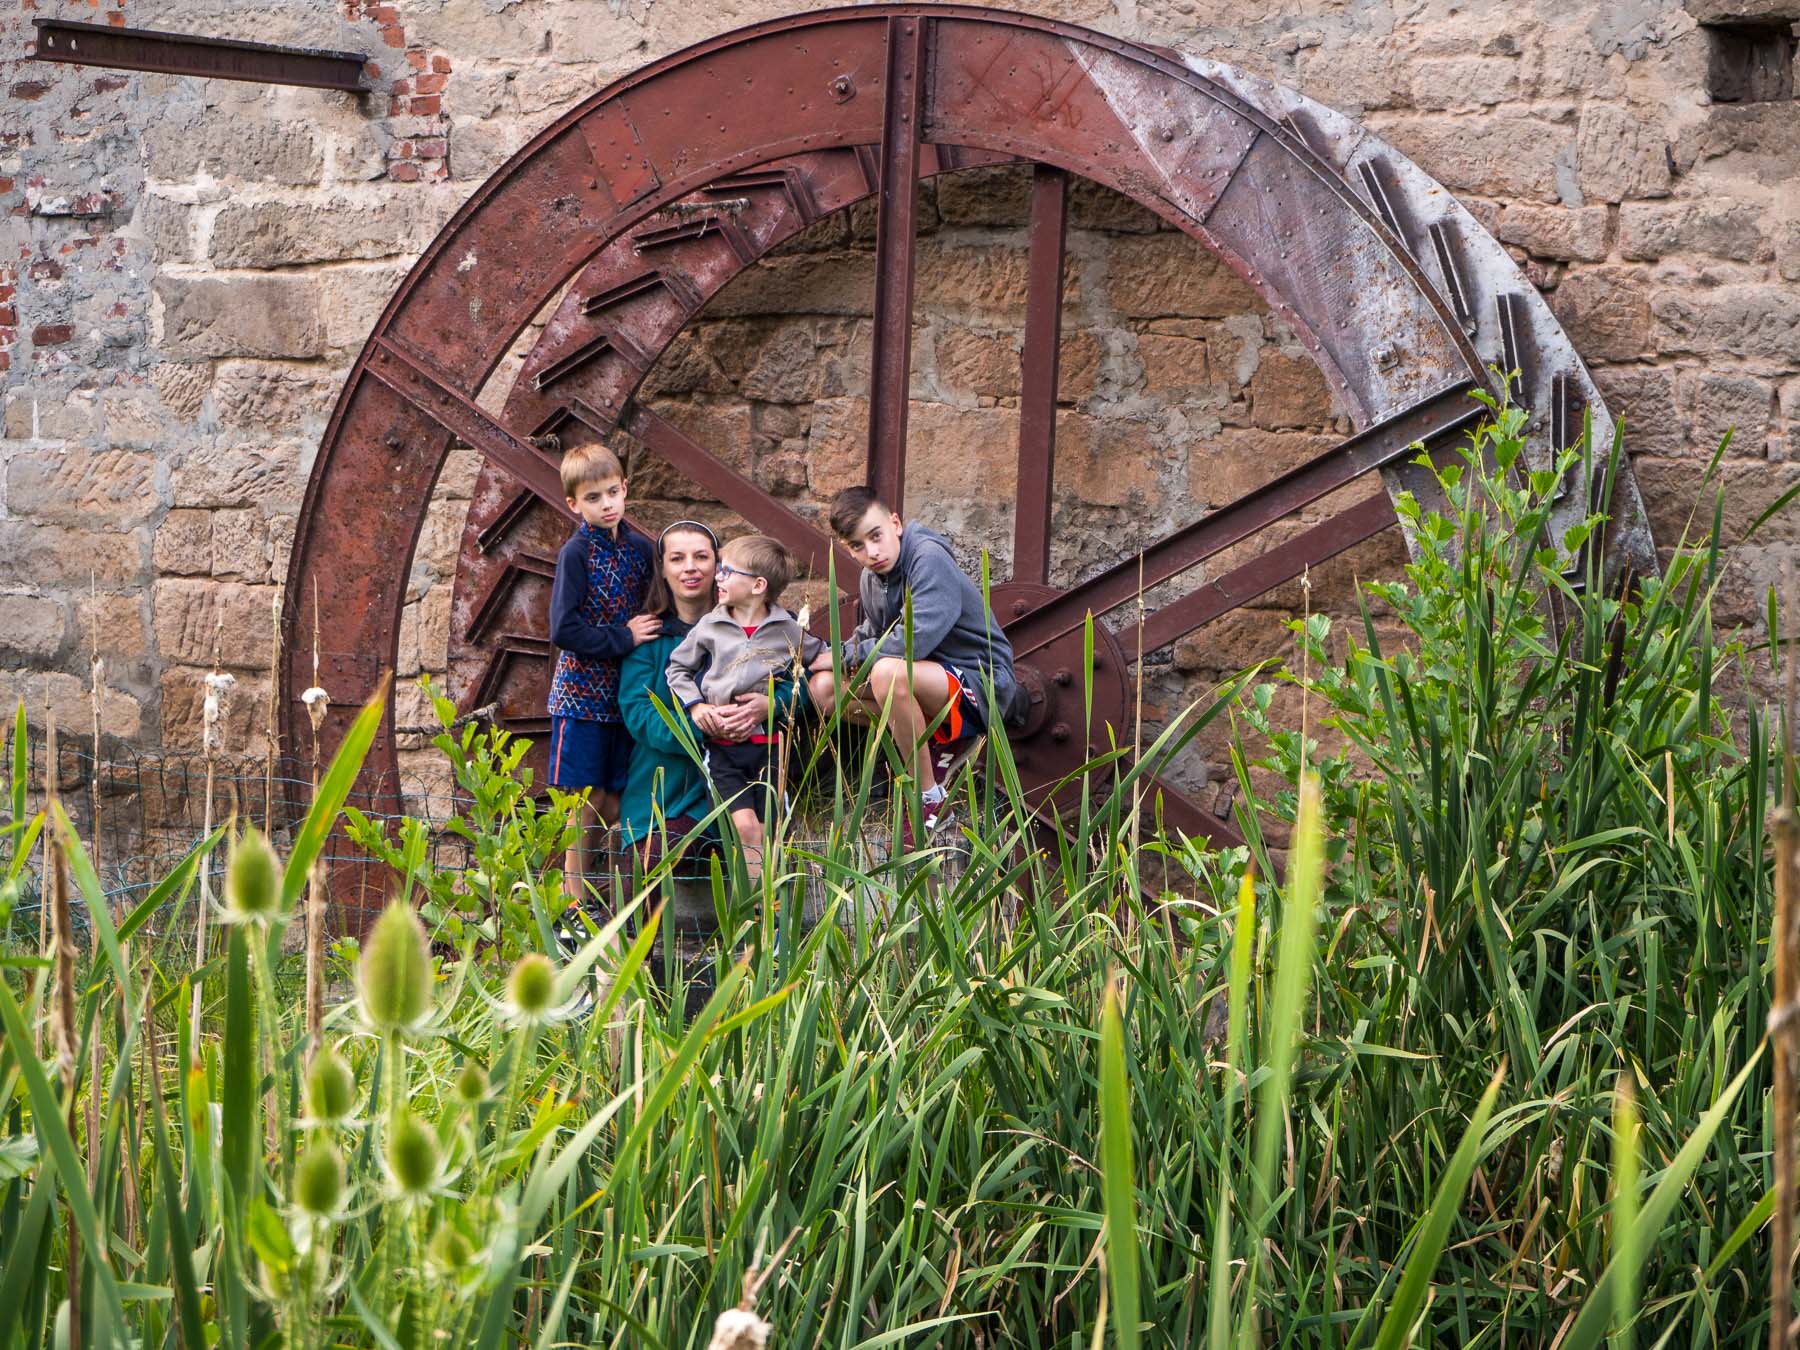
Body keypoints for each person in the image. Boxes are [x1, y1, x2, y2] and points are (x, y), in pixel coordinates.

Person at [809, 484, 1025, 839]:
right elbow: (874, 632)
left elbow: (914, 642)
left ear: (895, 523)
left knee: (888, 673)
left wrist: (844, 657)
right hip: (928, 682)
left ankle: (928, 796)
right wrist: (820, 657)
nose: (872, 552)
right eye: (858, 546)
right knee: (824, 688)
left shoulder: (928, 557)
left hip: (981, 682)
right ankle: (937, 735)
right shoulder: (872, 577)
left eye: (876, 536)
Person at [617, 521, 796, 856]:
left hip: (746, 776)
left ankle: (758, 910)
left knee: (759, 847)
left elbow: (799, 682)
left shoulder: (764, 629)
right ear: (663, 569)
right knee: (651, 862)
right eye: (677, 558)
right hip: (669, 785)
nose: (690, 568)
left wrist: (769, 704)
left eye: (701, 557)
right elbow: (638, 712)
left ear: (719, 567)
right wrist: (703, 725)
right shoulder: (649, 640)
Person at [666, 534, 829, 878]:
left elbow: (819, 660)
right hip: (722, 749)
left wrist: (777, 701)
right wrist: (697, 708)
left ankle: (773, 918)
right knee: (745, 828)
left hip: (772, 749)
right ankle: (757, 912)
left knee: (772, 833)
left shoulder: (787, 627)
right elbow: (677, 669)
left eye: (727, 571)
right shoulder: (711, 624)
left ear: (757, 585)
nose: (719, 577)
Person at [546, 439, 657, 898]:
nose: (606, 504)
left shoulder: (639, 549)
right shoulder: (576, 554)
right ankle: (574, 898)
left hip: (624, 695)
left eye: (612, 492)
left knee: (616, 799)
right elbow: (564, 629)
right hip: (581, 697)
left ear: (625, 489)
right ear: (574, 503)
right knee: (585, 799)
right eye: (593, 498)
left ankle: (605, 891)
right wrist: (623, 638)